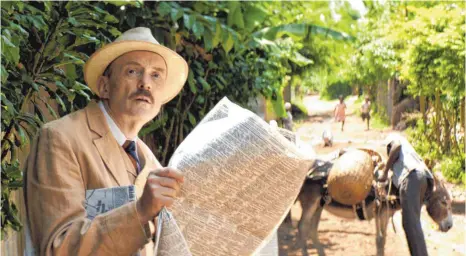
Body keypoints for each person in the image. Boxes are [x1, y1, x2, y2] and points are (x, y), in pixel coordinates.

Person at [23, 27, 189, 255]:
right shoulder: (61, 138)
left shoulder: (152, 163)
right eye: (132, 71)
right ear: (104, 86)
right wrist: (140, 211)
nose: (145, 83)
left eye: (156, 75)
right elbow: (59, 248)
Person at [377, 133, 434, 256]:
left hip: (411, 177)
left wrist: (385, 171)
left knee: (410, 223)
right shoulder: (408, 153)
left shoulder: (393, 139)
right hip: (422, 179)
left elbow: (396, 146)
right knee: (412, 223)